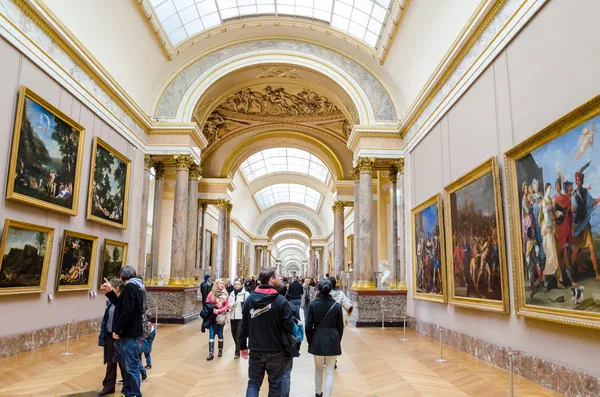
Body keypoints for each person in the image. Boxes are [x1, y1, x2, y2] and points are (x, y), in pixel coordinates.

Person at [239, 267, 295, 397]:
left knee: (253, 383)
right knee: (275, 384)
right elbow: (288, 325)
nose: (280, 278)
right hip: (275, 349)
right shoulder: (281, 301)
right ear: (271, 279)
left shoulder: (249, 300)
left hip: (255, 348)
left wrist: (242, 346)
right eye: (277, 276)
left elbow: (244, 325)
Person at [102, 266, 146, 397]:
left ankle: (134, 393)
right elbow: (121, 305)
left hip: (129, 332)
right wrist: (110, 292)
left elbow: (126, 312)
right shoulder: (138, 286)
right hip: (132, 331)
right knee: (127, 365)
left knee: (131, 366)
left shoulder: (130, 288)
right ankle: (127, 392)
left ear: (122, 276)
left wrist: (117, 330)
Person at [306, 279, 344, 397]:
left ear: (318, 290)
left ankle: (318, 393)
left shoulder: (313, 305)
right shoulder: (336, 306)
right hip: (333, 338)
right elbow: (340, 327)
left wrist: (310, 340)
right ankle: (327, 395)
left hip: (317, 339)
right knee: (329, 372)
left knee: (318, 369)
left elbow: (308, 326)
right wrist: (337, 339)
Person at [98, 279, 125, 396]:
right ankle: (109, 386)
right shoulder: (110, 303)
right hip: (109, 335)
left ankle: (128, 387)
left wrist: (119, 332)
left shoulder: (123, 301)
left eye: (111, 287)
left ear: (117, 288)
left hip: (120, 336)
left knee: (123, 363)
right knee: (110, 362)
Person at [205, 278, 230, 360]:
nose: (222, 285)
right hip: (212, 317)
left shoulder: (225, 294)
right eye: (220, 283)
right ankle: (211, 353)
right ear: (216, 285)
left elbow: (226, 306)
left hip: (220, 317)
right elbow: (207, 304)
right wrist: (213, 309)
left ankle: (220, 350)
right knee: (211, 334)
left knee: (220, 334)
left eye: (223, 283)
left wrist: (219, 310)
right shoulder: (211, 294)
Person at [228, 278, 249, 359]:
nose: (236, 286)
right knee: (233, 334)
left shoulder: (245, 294)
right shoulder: (232, 293)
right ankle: (239, 347)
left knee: (238, 335)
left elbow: (247, 306)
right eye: (235, 284)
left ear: (241, 285)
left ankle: (237, 352)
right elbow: (229, 304)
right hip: (232, 316)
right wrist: (231, 305)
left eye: (238, 284)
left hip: (241, 317)